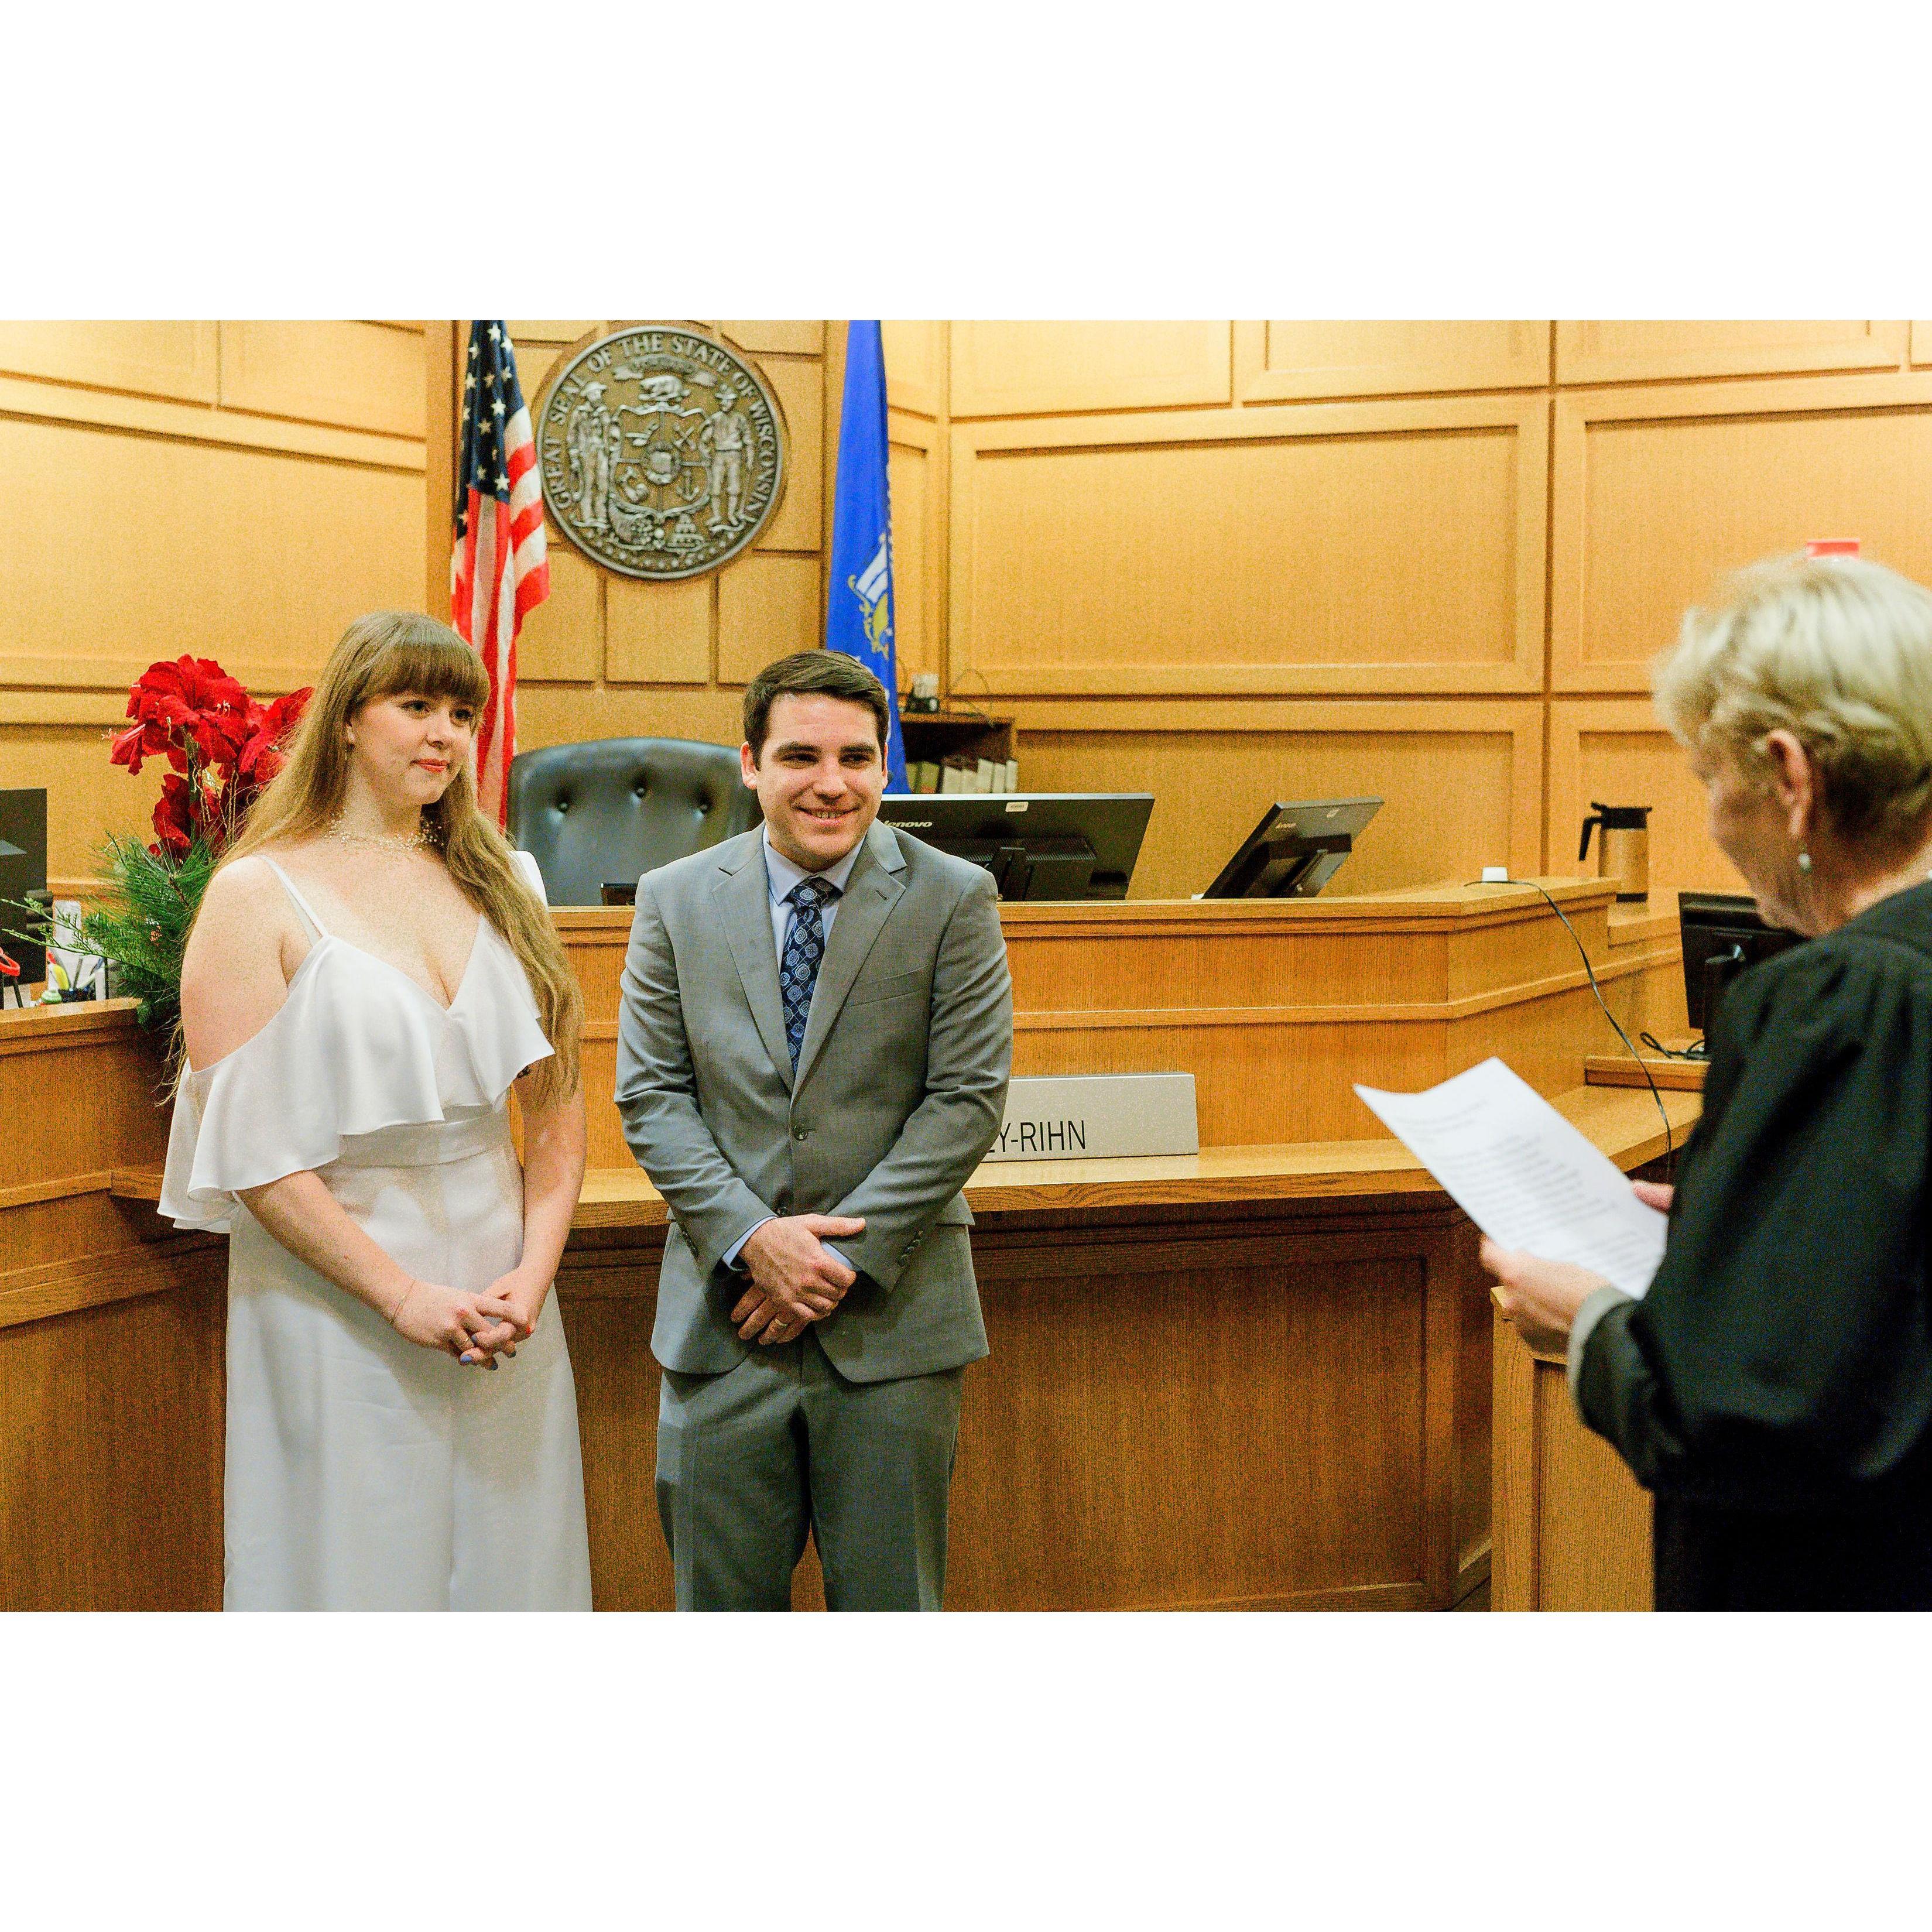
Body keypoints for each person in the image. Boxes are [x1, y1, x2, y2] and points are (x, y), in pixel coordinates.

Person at [1485, 553, 1932, 1609]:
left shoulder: (1841, 998)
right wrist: (1757, 1227)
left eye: (1708, 778)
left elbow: (1745, 1418)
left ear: (1789, 776)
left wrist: (1589, 1324)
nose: (1715, 820)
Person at [160, 612, 593, 1610]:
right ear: (347, 722)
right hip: (334, 1286)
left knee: (511, 1565)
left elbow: (559, 1121)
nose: (444, 733)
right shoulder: (256, 893)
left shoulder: (509, 880)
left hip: (502, 1291)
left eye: (461, 713)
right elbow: (256, 1157)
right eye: (416, 706)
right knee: (351, 1564)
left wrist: (531, 1276)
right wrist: (401, 1297)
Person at [614, 649, 1012, 1610]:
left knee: (889, 1608)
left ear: (886, 768)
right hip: (724, 1327)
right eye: (800, 756)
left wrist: (827, 1265)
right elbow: (652, 1095)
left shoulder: (953, 896)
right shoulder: (673, 898)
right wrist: (757, 1242)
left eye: (857, 758)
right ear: (749, 763)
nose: (831, 784)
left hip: (892, 1322)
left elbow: (966, 1098)